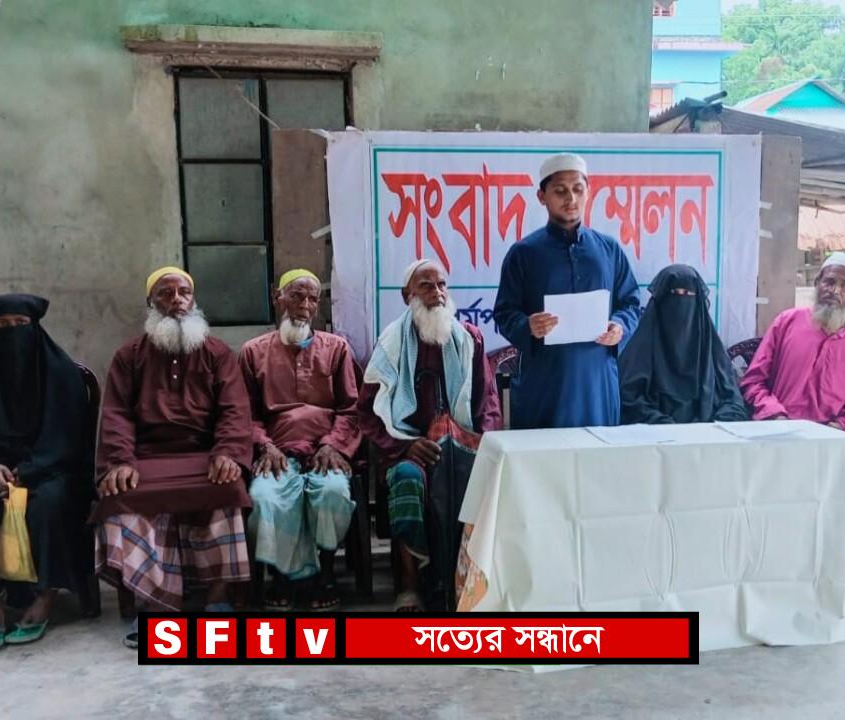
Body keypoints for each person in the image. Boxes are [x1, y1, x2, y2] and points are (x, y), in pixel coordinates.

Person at [94, 267, 253, 647]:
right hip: (146, 458)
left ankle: (217, 600)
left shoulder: (218, 354)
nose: (177, 300)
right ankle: (155, 608)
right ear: (151, 303)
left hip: (204, 456)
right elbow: (116, 414)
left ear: (194, 300)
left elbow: (234, 411)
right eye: (166, 294)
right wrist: (120, 461)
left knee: (228, 488)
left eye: (184, 292)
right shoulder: (129, 356)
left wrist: (227, 452)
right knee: (120, 496)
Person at [741, 253, 845, 593]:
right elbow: (754, 381)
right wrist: (775, 414)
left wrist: (839, 427)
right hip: (777, 427)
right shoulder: (787, 322)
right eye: (828, 281)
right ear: (817, 283)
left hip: (829, 433)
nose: (834, 290)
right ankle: (765, 556)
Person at [359, 259, 502, 611]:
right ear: (407, 295)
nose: (436, 293)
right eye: (425, 286)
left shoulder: (469, 338)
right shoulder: (391, 344)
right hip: (409, 450)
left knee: (484, 479)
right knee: (407, 480)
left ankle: (465, 581)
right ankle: (411, 586)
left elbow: (487, 403)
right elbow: (368, 412)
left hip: (461, 447)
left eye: (441, 285)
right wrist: (404, 446)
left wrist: (484, 447)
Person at [0, 294, 93, 649]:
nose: (11, 333)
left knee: (49, 502)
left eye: (19, 324)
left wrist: (27, 472)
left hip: (50, 468)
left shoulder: (61, 373)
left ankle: (44, 597)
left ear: (35, 328)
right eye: (1, 326)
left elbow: (71, 440)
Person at [240, 269, 360, 610]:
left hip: (325, 451)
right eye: (296, 296)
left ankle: (324, 572)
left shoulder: (336, 348)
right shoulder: (252, 352)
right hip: (276, 452)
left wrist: (333, 445)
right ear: (278, 297)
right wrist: (264, 445)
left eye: (312, 299)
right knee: (264, 497)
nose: (305, 305)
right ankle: (281, 574)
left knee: (332, 493)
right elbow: (244, 413)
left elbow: (351, 409)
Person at [493, 153, 641, 429]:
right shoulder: (524, 253)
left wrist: (619, 326)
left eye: (578, 189)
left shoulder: (609, 250)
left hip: (597, 384)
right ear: (542, 197)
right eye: (560, 191)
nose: (571, 198)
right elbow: (504, 313)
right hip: (544, 385)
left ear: (588, 192)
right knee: (544, 454)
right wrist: (528, 326)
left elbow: (631, 302)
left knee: (597, 451)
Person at [619, 264, 746, 424]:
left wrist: (715, 425)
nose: (681, 303)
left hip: (708, 432)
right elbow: (630, 399)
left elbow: (733, 401)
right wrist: (659, 422)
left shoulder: (712, 350)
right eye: (674, 294)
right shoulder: (642, 349)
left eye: (688, 294)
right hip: (656, 433)